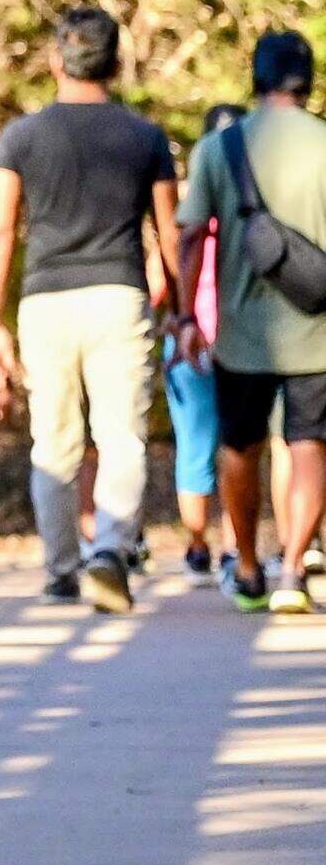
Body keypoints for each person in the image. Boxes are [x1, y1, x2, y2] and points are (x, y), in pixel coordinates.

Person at [0, 5, 181, 612]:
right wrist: (188, 309)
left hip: (46, 302)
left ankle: (61, 569)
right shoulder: (144, 138)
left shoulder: (21, 137)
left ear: (54, 60)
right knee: (121, 438)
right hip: (119, 297)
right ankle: (111, 551)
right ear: (118, 63)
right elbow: (169, 236)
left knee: (54, 443)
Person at [178, 31, 326, 614]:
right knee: (310, 444)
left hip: (240, 332)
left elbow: (190, 238)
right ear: (308, 79)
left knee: (239, 447)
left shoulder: (220, 148)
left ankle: (246, 566)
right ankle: (293, 569)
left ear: (256, 78)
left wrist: (188, 315)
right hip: (318, 332)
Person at [164, 105, 244, 581]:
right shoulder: (260, 197)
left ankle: (199, 547)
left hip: (192, 334)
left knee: (196, 444)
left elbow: (162, 276)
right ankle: (234, 547)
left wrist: (175, 319)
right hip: (241, 336)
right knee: (239, 444)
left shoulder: (187, 207)